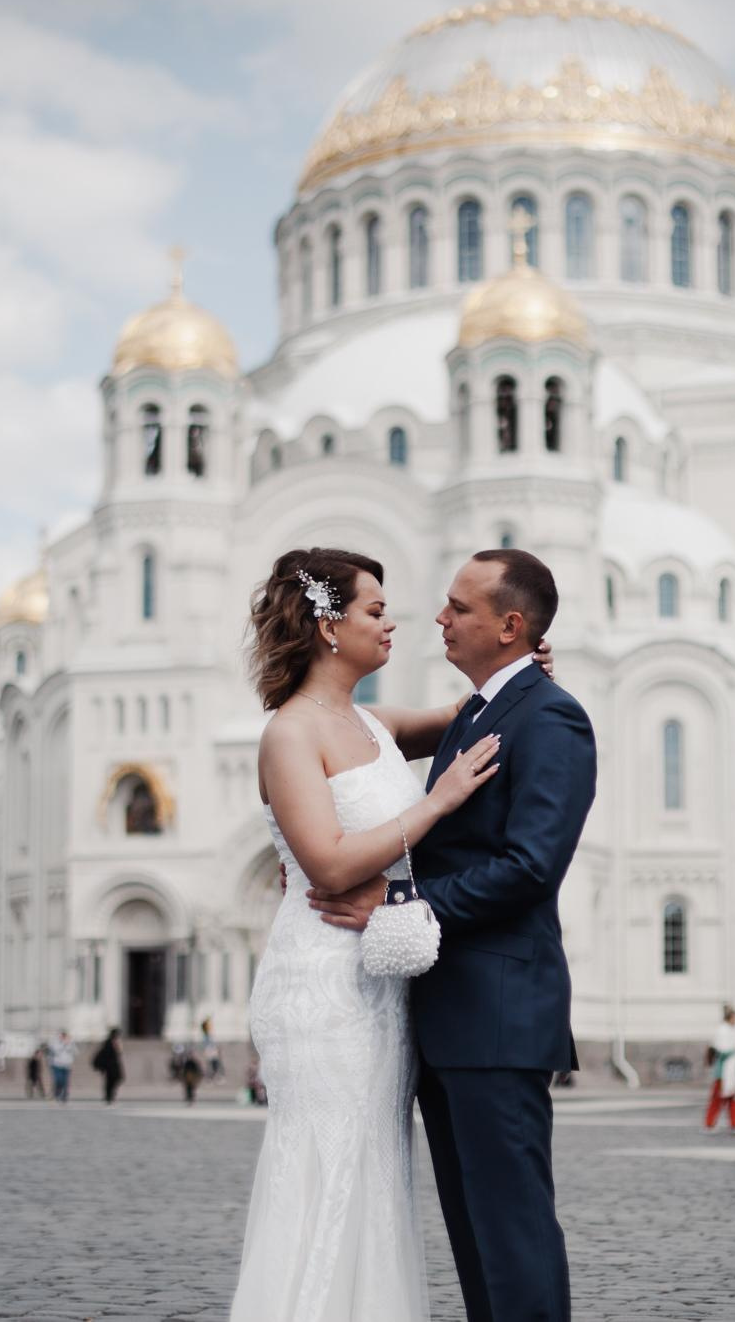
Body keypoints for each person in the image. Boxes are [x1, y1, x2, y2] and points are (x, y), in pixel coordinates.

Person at [230, 546, 551, 1322]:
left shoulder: (369, 721)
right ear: (327, 625)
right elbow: (329, 863)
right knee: (329, 1164)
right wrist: (433, 804)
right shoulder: (289, 733)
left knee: (376, 1170)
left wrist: (527, 658)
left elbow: (468, 715)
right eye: (375, 610)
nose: (393, 622)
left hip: (380, 980)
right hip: (323, 985)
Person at [305, 547, 593, 1322]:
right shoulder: (476, 711)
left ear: (509, 624)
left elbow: (531, 865)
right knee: (473, 1236)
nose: (439, 618)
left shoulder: (552, 715)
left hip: (499, 1016)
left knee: (513, 1231)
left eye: (458, 608)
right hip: (451, 1018)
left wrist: (402, 905)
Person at [704, 1006, 735, 1132]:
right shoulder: (722, 1031)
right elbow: (722, 1051)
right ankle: (709, 1124)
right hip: (722, 1073)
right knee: (717, 1099)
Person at [91, 1030, 124, 1105]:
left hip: (114, 1065)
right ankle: (108, 1096)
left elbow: (119, 1053)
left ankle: (110, 1095)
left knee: (117, 1078)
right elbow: (106, 1054)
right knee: (109, 1081)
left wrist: (119, 1046)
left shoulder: (116, 1042)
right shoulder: (108, 1042)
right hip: (109, 1066)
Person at [48, 1032, 74, 1103]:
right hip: (57, 1065)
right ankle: (57, 1093)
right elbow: (55, 1051)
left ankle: (64, 1096)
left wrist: (69, 1044)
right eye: (62, 1036)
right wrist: (63, 1044)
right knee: (59, 1081)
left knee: (65, 1082)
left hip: (67, 1065)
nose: (63, 1038)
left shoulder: (70, 1043)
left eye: (65, 1037)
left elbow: (75, 1052)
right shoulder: (56, 1043)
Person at [201, 1017, 224, 1083]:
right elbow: (208, 1045)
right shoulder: (206, 1036)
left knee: (215, 1064)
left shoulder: (208, 1035)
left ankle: (214, 1076)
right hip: (210, 1051)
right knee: (212, 1064)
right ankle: (211, 1077)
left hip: (212, 1051)